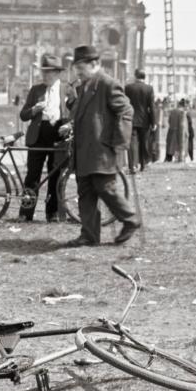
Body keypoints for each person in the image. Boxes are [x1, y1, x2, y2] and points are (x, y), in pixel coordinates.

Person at [59, 44, 140, 247]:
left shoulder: (107, 84)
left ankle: (130, 219)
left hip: (102, 151)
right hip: (85, 151)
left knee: (106, 188)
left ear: (94, 64)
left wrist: (118, 143)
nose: (77, 70)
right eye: (76, 66)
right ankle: (89, 234)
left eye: (81, 66)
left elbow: (126, 112)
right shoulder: (84, 86)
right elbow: (83, 114)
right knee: (85, 193)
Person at [19, 54, 73, 222]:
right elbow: (23, 115)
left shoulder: (68, 89)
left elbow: (78, 113)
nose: (46, 76)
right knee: (32, 176)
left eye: (49, 72)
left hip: (58, 135)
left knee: (55, 175)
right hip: (38, 136)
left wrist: (70, 125)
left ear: (58, 73)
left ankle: (52, 213)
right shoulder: (36, 90)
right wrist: (34, 110)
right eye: (44, 72)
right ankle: (25, 213)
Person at [124, 68, 156, 173]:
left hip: (131, 118)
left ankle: (132, 166)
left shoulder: (128, 88)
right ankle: (143, 165)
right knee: (143, 142)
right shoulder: (149, 89)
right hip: (144, 120)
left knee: (132, 143)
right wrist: (153, 122)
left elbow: (125, 103)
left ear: (135, 76)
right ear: (144, 77)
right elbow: (151, 107)